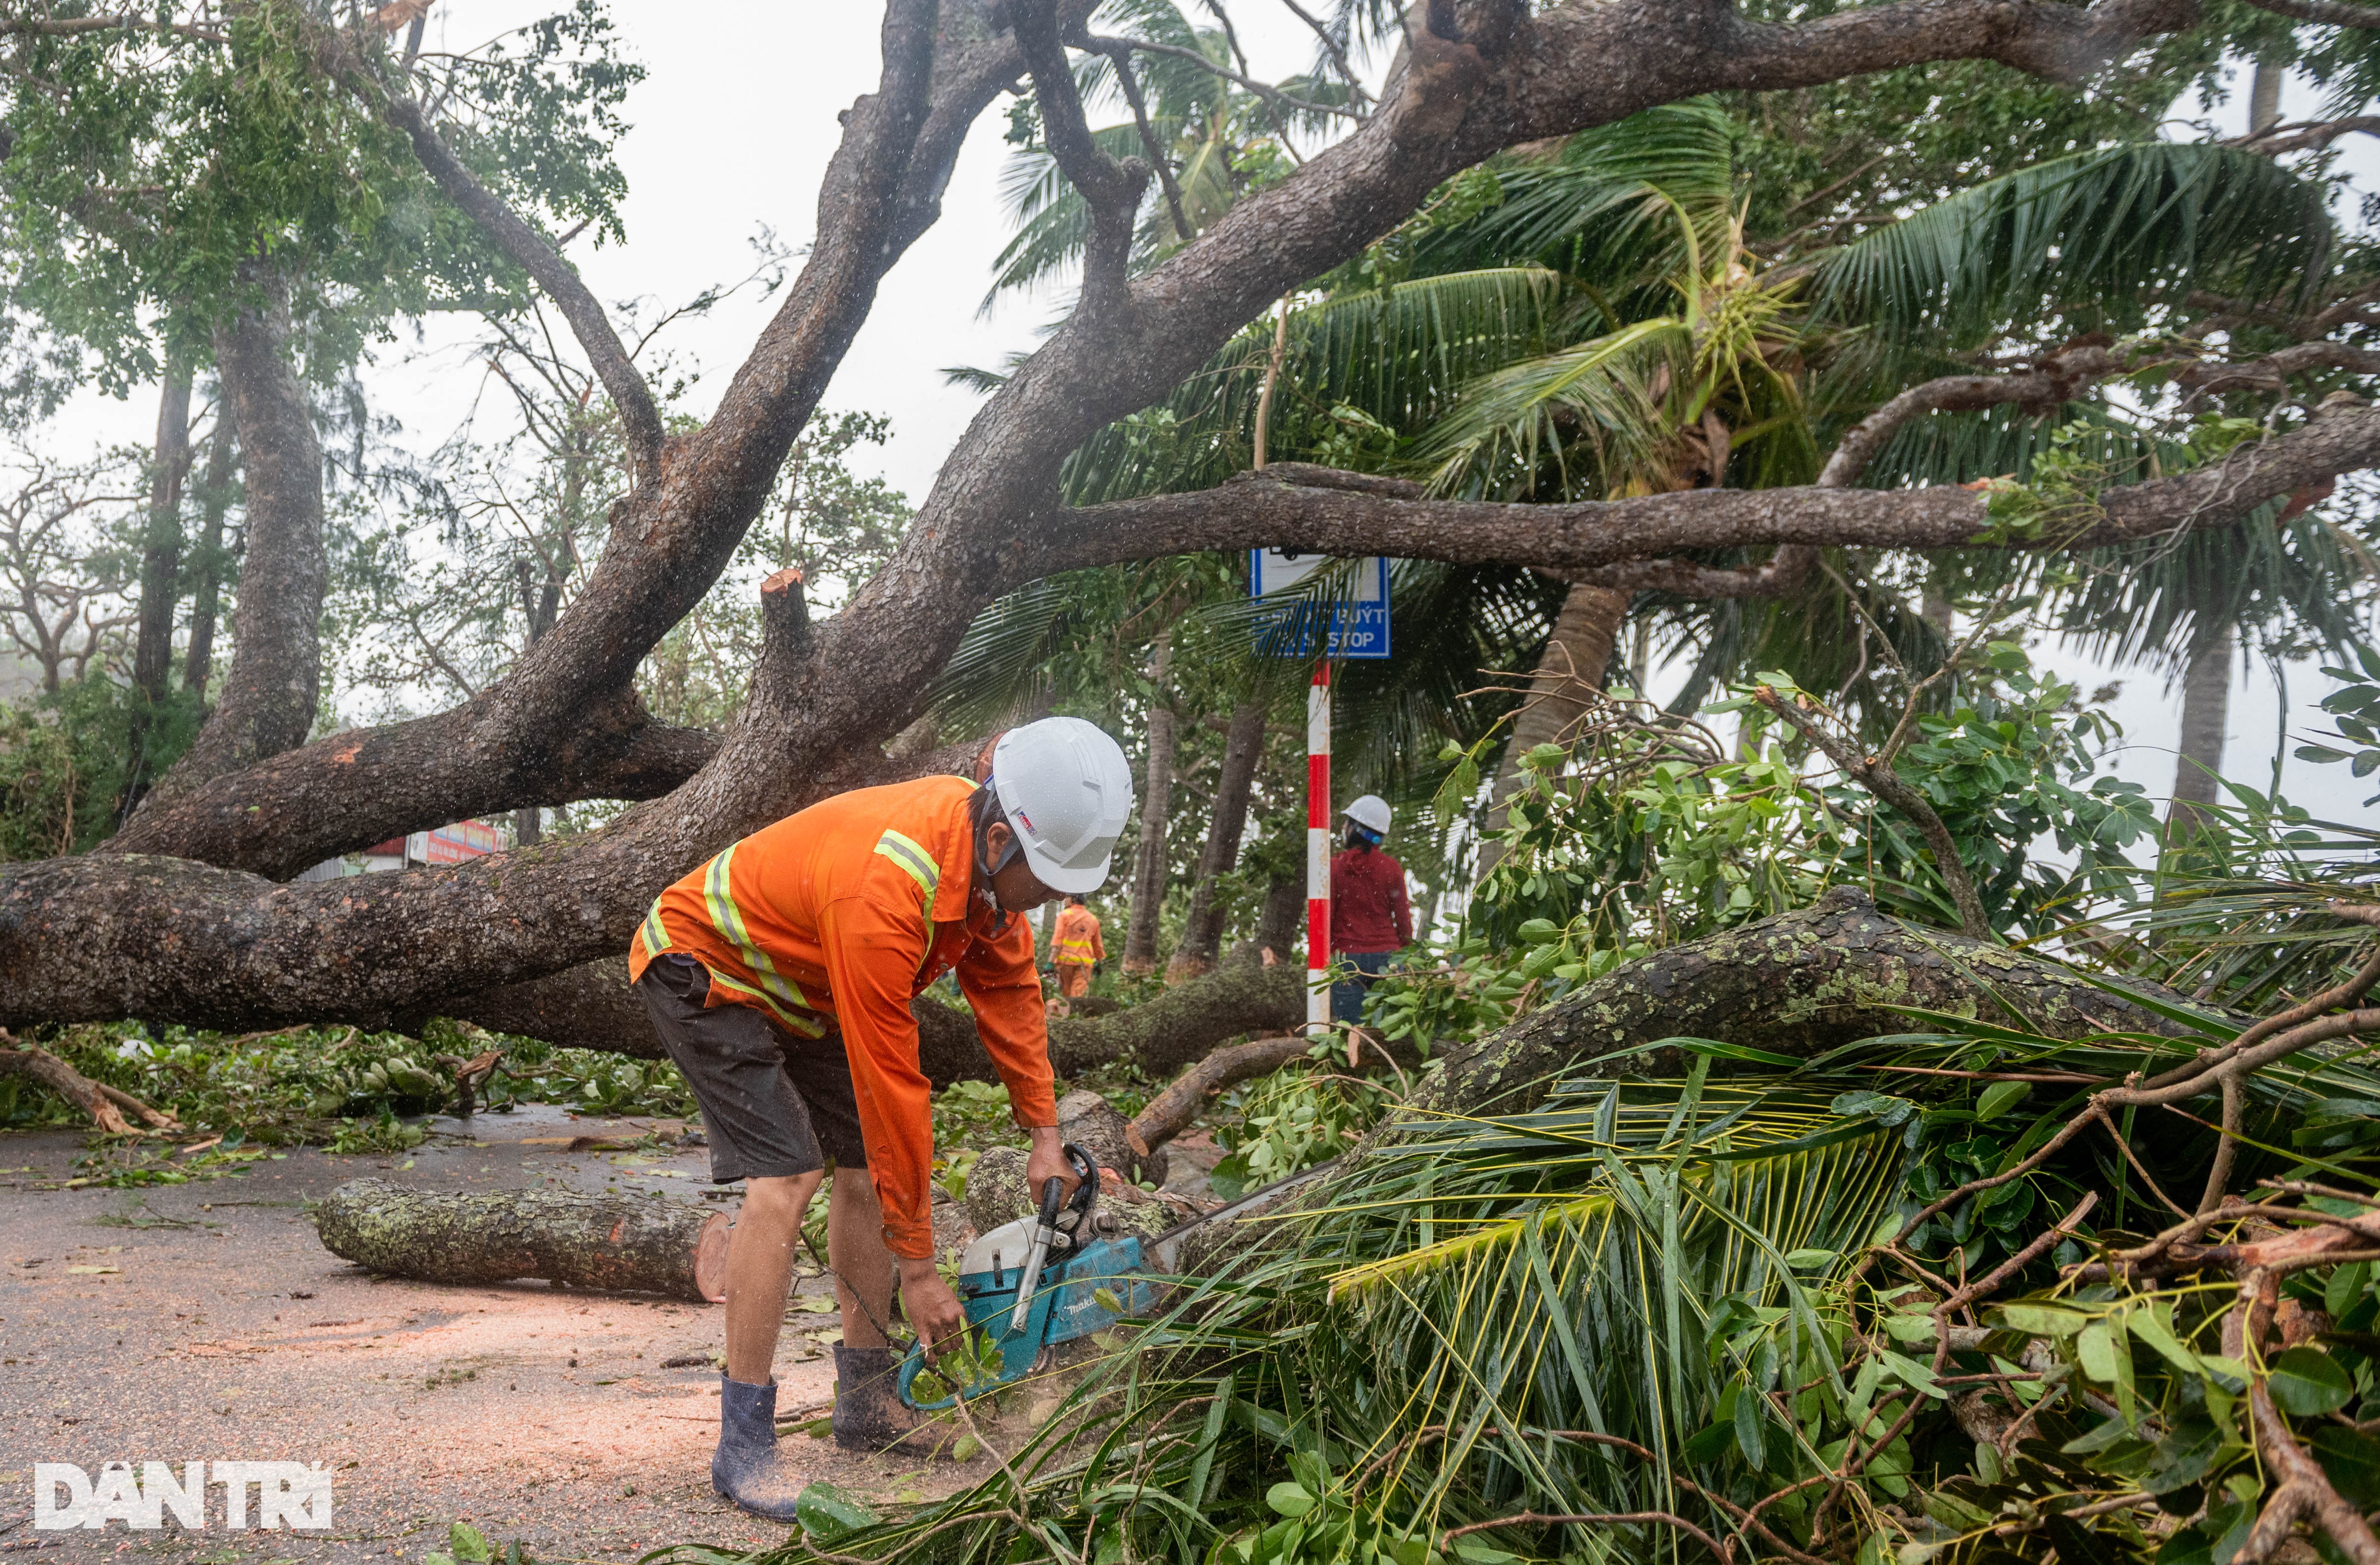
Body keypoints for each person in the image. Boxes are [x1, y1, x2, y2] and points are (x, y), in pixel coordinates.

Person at [628, 717, 1134, 1519]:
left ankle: (864, 1400)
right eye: (1047, 879)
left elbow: (1010, 997)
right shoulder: (887, 887)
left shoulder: (984, 875)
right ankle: (743, 1441)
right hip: (706, 965)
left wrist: (1045, 1138)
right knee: (788, 1175)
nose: (1056, 899)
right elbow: (892, 1084)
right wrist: (920, 1270)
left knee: (863, 1163)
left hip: (804, 982)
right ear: (1001, 838)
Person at [1329, 793, 1412, 1027]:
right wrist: (1407, 956)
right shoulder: (1392, 868)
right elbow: (1404, 921)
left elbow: (1328, 918)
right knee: (1388, 1031)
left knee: (1352, 1032)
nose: (1343, 827)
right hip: (1388, 959)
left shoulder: (1334, 868)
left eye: (1347, 823)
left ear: (1354, 828)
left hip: (1346, 958)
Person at [1049, 892, 1104, 998]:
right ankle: (1075, 1014)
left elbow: (1057, 941)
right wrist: (1099, 963)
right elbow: (1098, 945)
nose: (1064, 900)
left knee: (1064, 995)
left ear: (1073, 899)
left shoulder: (1065, 915)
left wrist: (1050, 962)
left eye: (1067, 897)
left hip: (1065, 961)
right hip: (1085, 963)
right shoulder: (1092, 919)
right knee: (1077, 996)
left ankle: (1066, 1014)